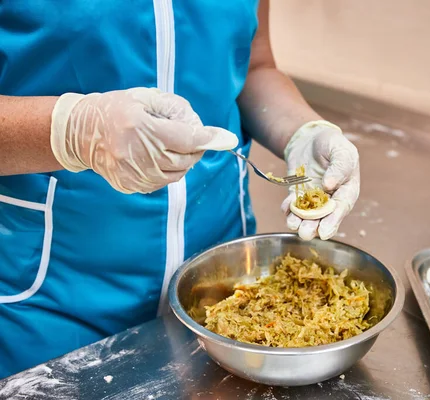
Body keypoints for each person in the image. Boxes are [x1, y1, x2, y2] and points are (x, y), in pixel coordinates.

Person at [0, 0, 360, 378]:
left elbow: (252, 66)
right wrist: (73, 131)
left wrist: (302, 132)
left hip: (224, 296)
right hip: (48, 305)